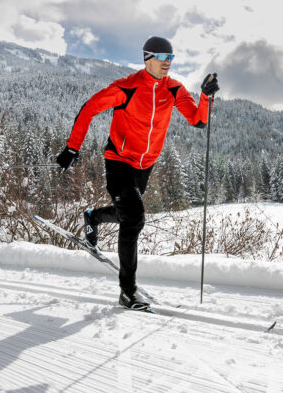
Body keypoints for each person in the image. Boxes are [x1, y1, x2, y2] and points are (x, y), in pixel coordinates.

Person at [55, 36, 219, 310]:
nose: (168, 63)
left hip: (145, 165)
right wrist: (72, 148)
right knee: (134, 218)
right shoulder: (126, 88)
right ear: (147, 58)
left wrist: (205, 95)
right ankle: (127, 291)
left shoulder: (174, 89)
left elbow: (198, 120)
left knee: (125, 214)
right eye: (163, 58)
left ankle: (93, 216)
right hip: (119, 160)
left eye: (171, 58)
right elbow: (89, 108)